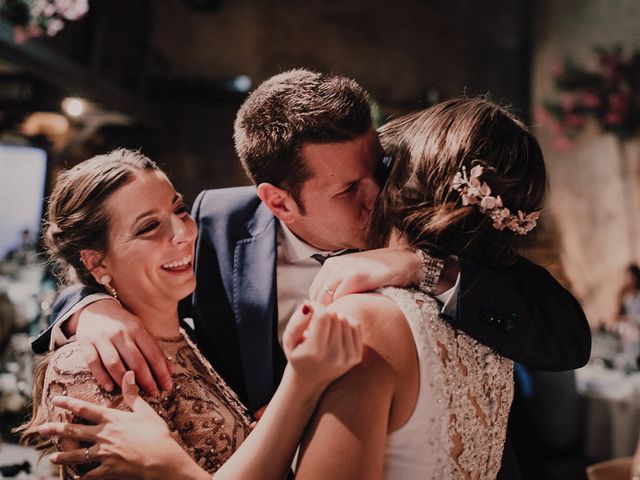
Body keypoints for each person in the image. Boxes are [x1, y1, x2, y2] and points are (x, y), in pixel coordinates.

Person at [34, 70, 590, 478]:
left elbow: (566, 333)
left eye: (377, 171)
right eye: (347, 190)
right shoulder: (212, 223)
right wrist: (86, 307)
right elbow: (120, 256)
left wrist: (426, 267)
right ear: (278, 201)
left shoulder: (414, 224)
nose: (378, 198)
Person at [19, 150, 363, 479]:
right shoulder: (94, 366)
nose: (185, 233)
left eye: (179, 210)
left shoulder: (188, 334)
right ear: (96, 261)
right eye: (149, 227)